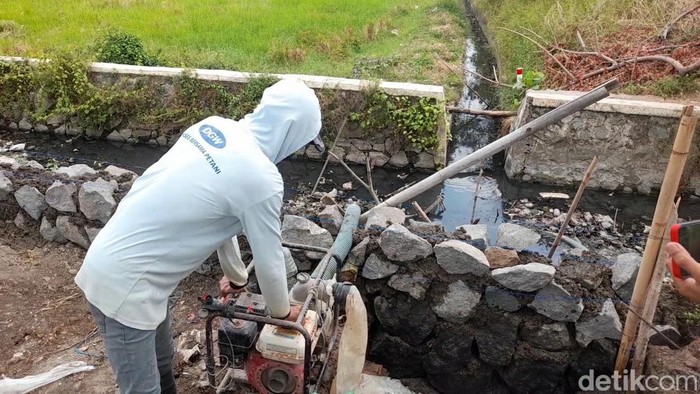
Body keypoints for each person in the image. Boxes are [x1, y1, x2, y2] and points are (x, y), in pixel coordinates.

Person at [74, 78, 324, 394]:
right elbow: (269, 259)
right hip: (124, 285)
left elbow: (220, 220)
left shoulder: (215, 127)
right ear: (294, 133)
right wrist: (282, 313)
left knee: (164, 362)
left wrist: (236, 280)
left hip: (127, 264)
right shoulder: (261, 179)